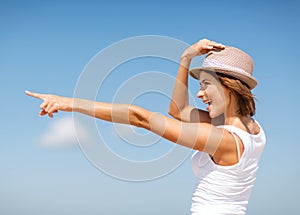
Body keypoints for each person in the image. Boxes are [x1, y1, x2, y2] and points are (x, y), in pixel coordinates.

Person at [26, 39, 266, 214]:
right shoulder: (254, 130)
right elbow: (179, 111)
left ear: (228, 86)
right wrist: (185, 58)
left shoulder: (222, 140)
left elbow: (139, 117)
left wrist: (69, 102)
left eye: (206, 85)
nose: (200, 94)